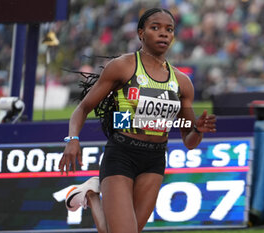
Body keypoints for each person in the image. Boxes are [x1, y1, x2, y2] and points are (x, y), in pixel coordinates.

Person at [59, 7, 216, 233]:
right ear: (141, 33)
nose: (163, 33)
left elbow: (189, 141)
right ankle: (93, 194)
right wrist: (73, 139)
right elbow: (83, 108)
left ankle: (92, 195)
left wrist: (198, 130)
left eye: (169, 29)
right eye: (156, 28)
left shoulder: (182, 82)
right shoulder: (123, 66)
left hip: (154, 159)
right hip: (122, 154)